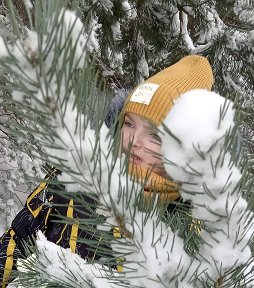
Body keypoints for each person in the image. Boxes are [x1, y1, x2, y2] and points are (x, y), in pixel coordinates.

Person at [0, 55, 214, 286]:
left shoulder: (195, 222)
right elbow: (16, 242)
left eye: (155, 135)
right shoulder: (74, 176)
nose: (134, 141)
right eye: (129, 124)